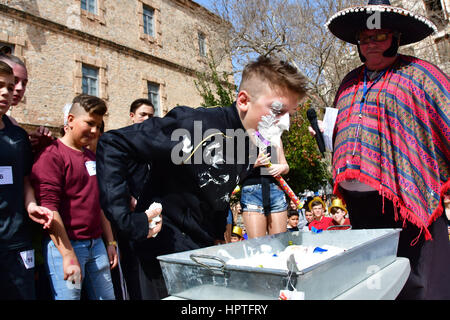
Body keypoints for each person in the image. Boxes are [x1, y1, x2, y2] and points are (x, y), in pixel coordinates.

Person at [95, 55, 308, 299]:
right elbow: (113, 144)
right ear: (244, 101)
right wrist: (127, 221)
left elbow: (220, 188)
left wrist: (218, 233)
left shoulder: (249, 143)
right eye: (276, 111)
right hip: (161, 255)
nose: (283, 123)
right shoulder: (195, 125)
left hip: (199, 255)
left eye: (288, 114)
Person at [323, 0, 450, 299]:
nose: (371, 44)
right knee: (375, 283)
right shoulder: (348, 82)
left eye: (379, 36)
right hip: (360, 206)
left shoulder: (421, 74)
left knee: (419, 284)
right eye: (364, 39)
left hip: (409, 204)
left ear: (396, 37)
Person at [30, 94, 121, 300]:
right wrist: (68, 255)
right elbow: (49, 209)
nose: (95, 131)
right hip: (66, 246)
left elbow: (98, 203)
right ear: (70, 120)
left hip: (96, 245)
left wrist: (110, 242)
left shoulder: (90, 157)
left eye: (98, 126)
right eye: (89, 123)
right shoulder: (51, 156)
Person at [0, 61, 53, 300]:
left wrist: (31, 205)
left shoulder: (18, 136)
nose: (7, 92)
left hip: (17, 241)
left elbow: (24, 181)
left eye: (10, 88)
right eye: (1, 85)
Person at [0, 48, 53, 152]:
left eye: (24, 83)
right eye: (15, 80)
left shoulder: (12, 124)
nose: (20, 88)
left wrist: (31, 145)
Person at [241, 142, 290, 239]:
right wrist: (254, 164)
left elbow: (285, 166)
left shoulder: (274, 134)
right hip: (251, 194)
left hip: (275, 191)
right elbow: (234, 170)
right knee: (257, 246)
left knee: (279, 244)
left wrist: (282, 167)